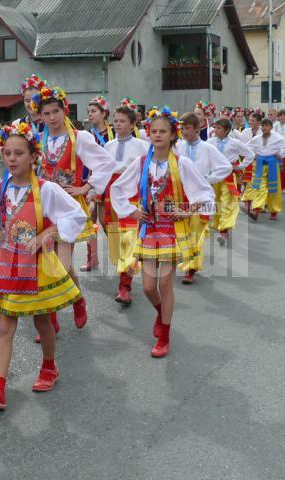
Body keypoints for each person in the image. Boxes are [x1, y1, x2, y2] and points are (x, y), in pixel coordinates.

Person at [0, 123, 86, 410]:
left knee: (42, 321)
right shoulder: (0, 187)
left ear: (33, 156)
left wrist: (48, 233)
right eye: (7, 153)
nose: (11, 158)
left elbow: (77, 214)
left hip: (37, 267)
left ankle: (49, 367)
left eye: (18, 153)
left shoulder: (47, 190)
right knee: (4, 328)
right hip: (9, 266)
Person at [111, 107, 214, 357]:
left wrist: (188, 210)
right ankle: (160, 313)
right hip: (148, 229)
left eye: (162, 131)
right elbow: (117, 189)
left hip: (170, 230)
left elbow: (206, 194)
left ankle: (164, 335)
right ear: (148, 133)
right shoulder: (140, 163)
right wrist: (130, 210)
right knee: (147, 287)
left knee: (165, 283)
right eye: (153, 131)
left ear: (172, 135)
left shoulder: (182, 163)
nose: (157, 135)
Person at [30, 84, 115, 330]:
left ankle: (77, 299)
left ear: (64, 110)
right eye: (46, 114)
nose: (51, 118)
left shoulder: (80, 138)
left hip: (66, 209)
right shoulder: (37, 140)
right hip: (43, 208)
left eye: (55, 111)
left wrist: (87, 187)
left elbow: (106, 163)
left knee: (64, 267)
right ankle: (51, 317)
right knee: (45, 266)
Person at [103, 99, 150, 304]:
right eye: (115, 120)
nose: (118, 124)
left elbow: (148, 172)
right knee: (115, 238)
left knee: (129, 239)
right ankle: (123, 272)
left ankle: (125, 286)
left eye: (122, 121)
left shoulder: (142, 146)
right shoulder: (108, 145)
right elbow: (102, 171)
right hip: (110, 194)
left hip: (131, 194)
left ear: (132, 124)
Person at [176, 113, 231, 284]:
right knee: (181, 230)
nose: (184, 132)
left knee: (197, 232)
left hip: (200, 195)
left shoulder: (207, 148)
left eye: (187, 128)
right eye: (182, 128)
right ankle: (185, 257)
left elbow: (225, 167)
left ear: (197, 129)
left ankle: (191, 268)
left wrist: (207, 180)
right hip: (182, 195)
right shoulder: (178, 146)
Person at [80, 95, 115, 272]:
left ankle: (118, 255)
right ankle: (92, 259)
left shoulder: (114, 133)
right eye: (88, 112)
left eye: (94, 111)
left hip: (109, 181)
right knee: (89, 220)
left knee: (105, 220)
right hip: (89, 180)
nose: (90, 114)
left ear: (104, 113)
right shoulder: (85, 135)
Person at [207, 118, 255, 245]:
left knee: (227, 201)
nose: (215, 130)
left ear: (227, 130)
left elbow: (250, 154)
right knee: (215, 200)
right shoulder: (210, 142)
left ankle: (224, 230)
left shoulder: (235, 143)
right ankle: (217, 223)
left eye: (219, 128)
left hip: (229, 175)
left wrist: (239, 166)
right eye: (215, 128)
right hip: (215, 175)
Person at [247, 118, 285, 221]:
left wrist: (280, 154)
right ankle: (256, 210)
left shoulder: (277, 137)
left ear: (271, 127)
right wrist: (254, 154)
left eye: (267, 125)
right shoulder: (257, 138)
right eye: (262, 125)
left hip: (272, 164)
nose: (264, 127)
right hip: (260, 164)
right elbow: (246, 147)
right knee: (260, 187)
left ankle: (273, 211)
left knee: (274, 188)